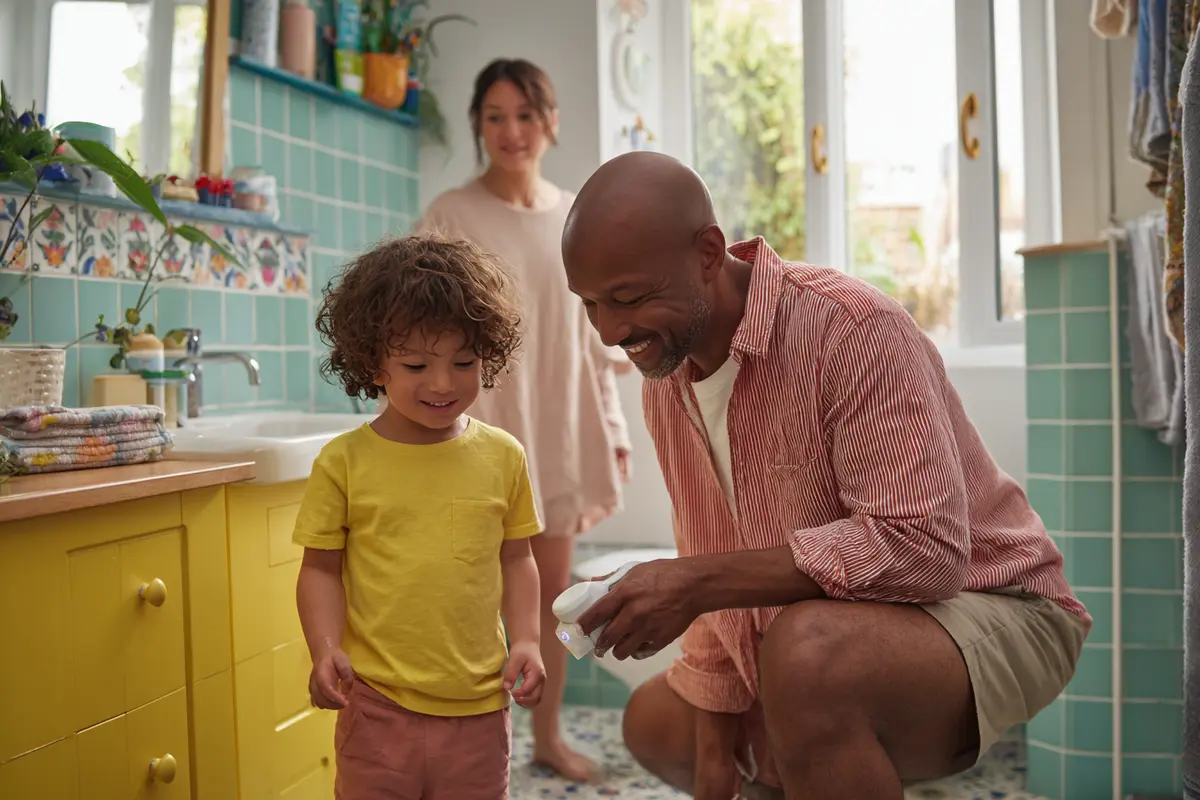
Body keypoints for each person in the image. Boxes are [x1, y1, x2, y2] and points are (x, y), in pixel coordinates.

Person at [560, 151, 1092, 800]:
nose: (612, 331)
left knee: (806, 657)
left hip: (997, 600)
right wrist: (714, 771)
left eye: (629, 298)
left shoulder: (851, 330)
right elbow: (708, 558)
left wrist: (694, 582)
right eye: (590, 305)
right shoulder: (667, 382)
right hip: (852, 628)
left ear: (706, 252)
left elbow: (927, 552)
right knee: (656, 724)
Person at [410, 57, 633, 782]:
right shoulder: (449, 215)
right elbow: (413, 331)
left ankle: (546, 738)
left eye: (526, 115)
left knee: (556, 605)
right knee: (471, 600)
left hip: (560, 429)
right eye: (496, 116)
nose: (512, 131)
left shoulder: (579, 217)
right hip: (475, 436)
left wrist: (614, 428)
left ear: (551, 122)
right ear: (478, 124)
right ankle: (471, 748)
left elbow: (595, 342)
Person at [294, 235, 546, 799]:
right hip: (377, 705)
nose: (442, 383)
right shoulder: (343, 462)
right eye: (415, 364)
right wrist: (324, 646)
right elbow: (319, 570)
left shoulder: (504, 455)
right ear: (373, 364)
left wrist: (527, 639)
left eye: (464, 362)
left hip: (479, 708)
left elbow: (518, 558)